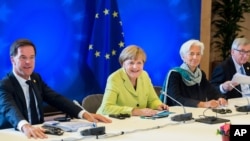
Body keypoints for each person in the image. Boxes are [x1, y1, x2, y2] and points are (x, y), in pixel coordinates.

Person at [0, 39, 112, 139]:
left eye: (32, 57)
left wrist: (84, 114)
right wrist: (25, 126)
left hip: (40, 135)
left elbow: (56, 99)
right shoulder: (5, 84)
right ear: (12, 60)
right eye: (22, 57)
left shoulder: (36, 78)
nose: (28, 62)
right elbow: (10, 109)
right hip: (14, 135)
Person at [97, 45, 168, 116]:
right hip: (112, 122)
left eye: (139, 63)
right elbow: (106, 108)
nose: (135, 67)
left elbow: (152, 100)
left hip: (137, 122)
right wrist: (134, 111)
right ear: (123, 64)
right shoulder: (114, 78)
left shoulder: (144, 75)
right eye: (131, 63)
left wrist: (158, 105)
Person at [159, 39, 227, 108]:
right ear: (183, 57)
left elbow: (211, 91)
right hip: (178, 115)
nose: (195, 57)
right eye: (191, 54)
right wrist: (203, 104)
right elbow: (176, 100)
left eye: (198, 54)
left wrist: (219, 98)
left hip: (197, 113)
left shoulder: (200, 74)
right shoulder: (174, 74)